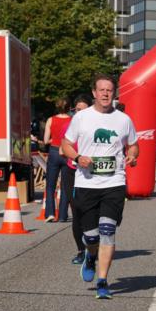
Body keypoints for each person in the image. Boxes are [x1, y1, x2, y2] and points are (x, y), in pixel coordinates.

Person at [60, 75, 139, 299]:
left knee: (107, 231)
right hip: (86, 183)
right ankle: (90, 256)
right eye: (101, 90)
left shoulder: (124, 120)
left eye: (109, 90)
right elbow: (65, 145)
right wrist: (78, 158)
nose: (105, 93)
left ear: (114, 93)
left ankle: (103, 281)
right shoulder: (81, 117)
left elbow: (134, 145)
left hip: (114, 182)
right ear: (94, 93)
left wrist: (132, 155)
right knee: (91, 237)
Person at [67, 95, 91, 264]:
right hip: (72, 172)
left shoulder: (96, 125)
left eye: (83, 110)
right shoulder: (70, 126)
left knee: (92, 213)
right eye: (77, 110)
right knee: (76, 213)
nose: (79, 113)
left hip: (92, 174)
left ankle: (93, 246)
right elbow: (61, 149)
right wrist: (76, 157)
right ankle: (81, 251)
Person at [42, 97, 72, 222]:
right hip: (67, 152)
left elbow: (45, 140)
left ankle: (50, 213)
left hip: (54, 151)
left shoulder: (51, 120)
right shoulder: (72, 120)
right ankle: (63, 215)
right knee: (65, 185)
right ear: (69, 107)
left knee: (50, 185)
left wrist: (53, 139)